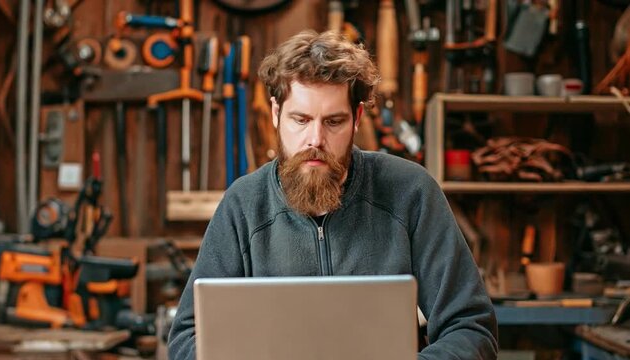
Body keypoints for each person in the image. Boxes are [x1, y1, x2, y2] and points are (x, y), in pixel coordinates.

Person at [169, 29, 498, 359]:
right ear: (276, 113)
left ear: (356, 118)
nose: (315, 139)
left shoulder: (409, 192)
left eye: (334, 122)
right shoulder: (243, 204)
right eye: (301, 119)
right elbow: (186, 339)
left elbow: (471, 328)